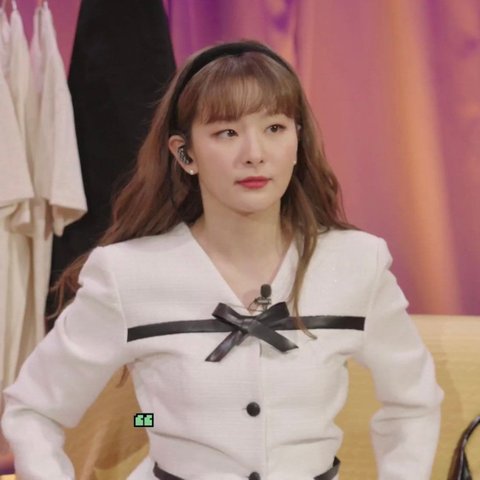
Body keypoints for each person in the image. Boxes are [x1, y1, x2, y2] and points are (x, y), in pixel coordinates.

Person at [1, 39, 443, 480]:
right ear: (185, 154)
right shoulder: (127, 274)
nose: (255, 153)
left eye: (275, 128)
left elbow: (414, 403)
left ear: (297, 141)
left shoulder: (357, 263)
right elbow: (33, 410)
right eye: (227, 133)